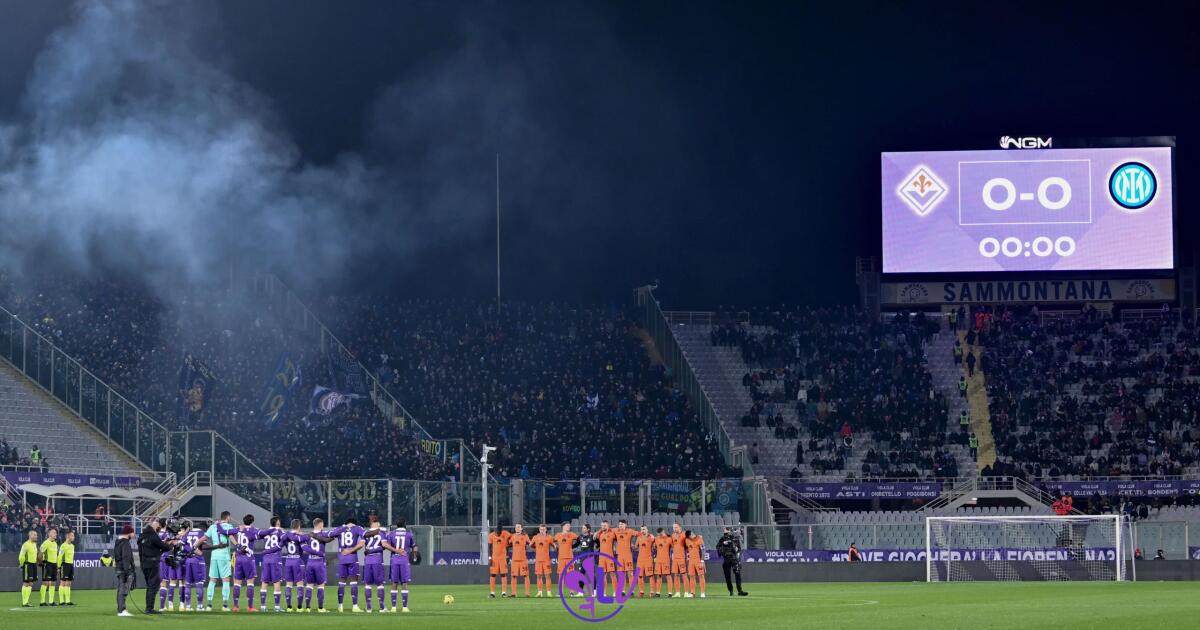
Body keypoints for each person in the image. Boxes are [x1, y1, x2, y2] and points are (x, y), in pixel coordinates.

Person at [291, 517, 334, 612]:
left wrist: (298, 534)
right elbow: (330, 537)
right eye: (322, 524)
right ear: (320, 524)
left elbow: (304, 546)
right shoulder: (323, 534)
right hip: (319, 562)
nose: (323, 526)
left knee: (309, 585)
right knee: (321, 585)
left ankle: (307, 607)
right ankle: (320, 608)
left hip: (310, 562)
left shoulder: (307, 536)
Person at [138, 517, 179, 614]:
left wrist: (166, 543)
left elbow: (156, 546)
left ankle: (149, 608)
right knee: (154, 586)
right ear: (154, 523)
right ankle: (149, 609)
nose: (159, 527)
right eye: (158, 525)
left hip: (144, 564)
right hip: (152, 564)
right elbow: (163, 546)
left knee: (150, 586)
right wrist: (172, 544)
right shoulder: (153, 535)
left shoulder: (143, 535)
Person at [328, 517, 365, 612]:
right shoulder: (357, 528)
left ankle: (340, 606)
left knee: (341, 582)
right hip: (352, 557)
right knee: (353, 582)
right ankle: (355, 606)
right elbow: (363, 540)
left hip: (342, 557)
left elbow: (330, 534)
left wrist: (343, 527)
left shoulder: (340, 528)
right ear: (354, 523)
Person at [204, 511, 237, 611]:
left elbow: (204, 538)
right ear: (228, 517)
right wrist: (238, 545)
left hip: (214, 555)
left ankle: (209, 605)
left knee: (212, 580)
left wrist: (196, 545)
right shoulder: (229, 526)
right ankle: (225, 605)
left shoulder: (213, 527)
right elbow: (231, 537)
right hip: (224, 555)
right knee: (225, 580)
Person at [382, 517, 416, 612]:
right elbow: (414, 546)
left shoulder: (391, 534)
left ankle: (393, 607)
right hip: (404, 560)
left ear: (397, 525)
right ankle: (404, 607)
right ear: (405, 524)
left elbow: (386, 546)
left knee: (394, 583)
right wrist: (414, 554)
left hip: (394, 560)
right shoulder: (409, 534)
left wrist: (395, 550)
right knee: (404, 583)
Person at [231, 514, 262, 612]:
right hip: (248, 558)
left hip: (238, 558)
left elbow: (230, 534)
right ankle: (250, 607)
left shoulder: (238, 529)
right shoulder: (253, 530)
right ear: (252, 521)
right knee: (250, 583)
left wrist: (237, 545)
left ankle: (236, 606)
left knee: (237, 583)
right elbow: (261, 535)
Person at [257, 516, 286, 612]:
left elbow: (258, 536)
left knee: (264, 581)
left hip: (266, 558)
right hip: (275, 558)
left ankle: (263, 606)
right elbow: (285, 540)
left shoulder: (266, 531)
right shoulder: (280, 531)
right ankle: (277, 607)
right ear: (277, 522)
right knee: (276, 581)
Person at [360, 515, 388, 612]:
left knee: (368, 584)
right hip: (377, 559)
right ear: (376, 524)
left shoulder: (366, 533)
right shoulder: (381, 532)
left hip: (368, 560)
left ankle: (368, 608)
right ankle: (382, 607)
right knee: (380, 584)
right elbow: (384, 545)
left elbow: (363, 546)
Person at [180, 521, 208, 611]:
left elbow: (182, 545)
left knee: (188, 584)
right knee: (199, 583)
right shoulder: (201, 533)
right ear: (203, 528)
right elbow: (204, 543)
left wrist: (189, 550)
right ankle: (199, 606)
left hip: (188, 560)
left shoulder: (188, 533)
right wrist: (196, 550)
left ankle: (188, 606)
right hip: (197, 560)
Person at [280, 520, 306, 612]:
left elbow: (280, 543)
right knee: (300, 584)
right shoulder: (299, 536)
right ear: (299, 526)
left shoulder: (286, 536)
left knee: (288, 584)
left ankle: (289, 607)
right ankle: (299, 607)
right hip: (297, 560)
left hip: (288, 561)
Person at [716, 527, 748, 596]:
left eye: (727, 531)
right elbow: (718, 547)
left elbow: (739, 549)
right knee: (727, 576)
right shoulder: (722, 539)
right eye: (725, 532)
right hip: (726, 558)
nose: (726, 534)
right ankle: (731, 590)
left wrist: (737, 552)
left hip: (734, 558)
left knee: (737, 573)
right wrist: (723, 544)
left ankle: (740, 590)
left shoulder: (735, 539)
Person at [551, 522, 579, 598]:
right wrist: (555, 546)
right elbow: (551, 541)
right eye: (567, 525)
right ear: (563, 527)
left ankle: (572, 592)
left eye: (569, 526)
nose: (569, 527)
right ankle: (560, 592)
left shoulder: (572, 534)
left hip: (569, 557)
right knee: (561, 575)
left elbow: (580, 539)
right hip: (561, 558)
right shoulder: (557, 535)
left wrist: (573, 546)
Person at [113, 525, 136, 617]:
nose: (134, 534)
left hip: (119, 568)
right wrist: (127, 571)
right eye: (133, 532)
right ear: (128, 533)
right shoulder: (125, 543)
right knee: (123, 590)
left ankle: (121, 609)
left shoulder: (118, 542)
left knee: (120, 590)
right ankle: (122, 610)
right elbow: (126, 558)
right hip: (124, 569)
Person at [487, 524, 511, 598]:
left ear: (502, 530)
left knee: (503, 574)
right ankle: (492, 593)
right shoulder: (491, 535)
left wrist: (507, 556)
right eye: (498, 532)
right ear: (495, 530)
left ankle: (504, 593)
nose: (499, 533)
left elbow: (510, 542)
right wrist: (490, 558)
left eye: (500, 532)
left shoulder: (506, 534)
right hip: (494, 558)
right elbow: (490, 547)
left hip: (503, 558)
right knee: (493, 574)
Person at [509, 523, 532, 597]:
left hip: (523, 559)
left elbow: (531, 544)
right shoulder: (512, 536)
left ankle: (527, 593)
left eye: (519, 527)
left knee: (526, 575)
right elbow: (508, 544)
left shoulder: (525, 536)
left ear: (522, 528)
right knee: (513, 576)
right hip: (514, 559)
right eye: (516, 527)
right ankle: (513, 593)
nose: (517, 528)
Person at [38, 526, 59, 606]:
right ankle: (42, 601)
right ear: (49, 534)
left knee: (53, 582)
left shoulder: (55, 543)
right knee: (45, 582)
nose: (55, 534)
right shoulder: (45, 543)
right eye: (54, 532)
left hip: (54, 564)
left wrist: (57, 565)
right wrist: (41, 562)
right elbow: (40, 554)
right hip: (47, 564)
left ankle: (51, 601)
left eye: (56, 533)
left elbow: (56, 555)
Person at [614, 519, 636, 594]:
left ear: (625, 525)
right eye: (620, 524)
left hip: (628, 555)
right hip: (620, 555)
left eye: (622, 524)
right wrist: (597, 532)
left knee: (630, 573)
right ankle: (622, 590)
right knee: (621, 574)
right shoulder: (615, 530)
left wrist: (634, 544)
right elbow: (605, 528)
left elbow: (639, 534)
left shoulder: (630, 531)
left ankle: (631, 590)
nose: (620, 525)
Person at [595, 520, 617, 596]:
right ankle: (603, 593)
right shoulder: (599, 534)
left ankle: (615, 592)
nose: (603, 527)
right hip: (601, 558)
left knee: (612, 574)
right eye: (602, 526)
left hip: (610, 557)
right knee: (603, 575)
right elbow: (594, 538)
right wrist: (597, 532)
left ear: (608, 526)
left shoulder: (612, 533)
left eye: (604, 525)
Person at [531, 525, 553, 597]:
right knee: (539, 576)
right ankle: (540, 592)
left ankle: (549, 592)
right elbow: (531, 545)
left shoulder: (549, 537)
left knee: (547, 576)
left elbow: (554, 546)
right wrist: (535, 548)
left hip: (546, 560)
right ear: (539, 530)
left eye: (543, 529)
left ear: (546, 529)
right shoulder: (535, 537)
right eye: (541, 529)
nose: (542, 530)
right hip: (538, 560)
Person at [18, 529, 38, 608]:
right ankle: (24, 602)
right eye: (35, 535)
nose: (36, 536)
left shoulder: (34, 544)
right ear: (30, 536)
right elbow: (21, 556)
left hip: (33, 565)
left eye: (36, 535)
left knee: (30, 583)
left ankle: (26, 601)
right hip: (27, 564)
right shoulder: (25, 544)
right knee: (26, 582)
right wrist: (22, 564)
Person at [684, 530, 706, 598]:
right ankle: (692, 593)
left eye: (690, 536)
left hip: (698, 560)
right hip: (691, 560)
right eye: (688, 537)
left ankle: (702, 593)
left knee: (701, 576)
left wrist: (702, 561)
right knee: (691, 576)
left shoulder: (699, 539)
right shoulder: (687, 540)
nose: (689, 537)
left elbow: (703, 550)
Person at [634, 526, 654, 598]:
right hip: (640, 559)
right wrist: (633, 546)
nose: (643, 531)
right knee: (639, 576)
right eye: (642, 529)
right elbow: (636, 546)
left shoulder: (651, 537)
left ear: (647, 530)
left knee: (650, 575)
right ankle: (641, 591)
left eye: (644, 529)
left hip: (648, 559)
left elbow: (655, 544)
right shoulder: (639, 538)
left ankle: (652, 591)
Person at [652, 528, 672, 598]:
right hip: (658, 561)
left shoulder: (669, 539)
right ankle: (658, 593)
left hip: (666, 560)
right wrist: (654, 557)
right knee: (659, 576)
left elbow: (674, 546)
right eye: (658, 534)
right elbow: (654, 548)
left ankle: (670, 593)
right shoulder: (656, 538)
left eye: (660, 534)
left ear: (663, 532)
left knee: (668, 576)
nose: (659, 536)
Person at [57, 529, 75, 606]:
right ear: (67, 536)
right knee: (63, 582)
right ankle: (61, 601)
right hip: (64, 565)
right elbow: (60, 556)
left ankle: (67, 600)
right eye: (72, 535)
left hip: (71, 565)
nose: (74, 537)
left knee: (69, 583)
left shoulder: (72, 546)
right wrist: (58, 566)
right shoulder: (63, 546)